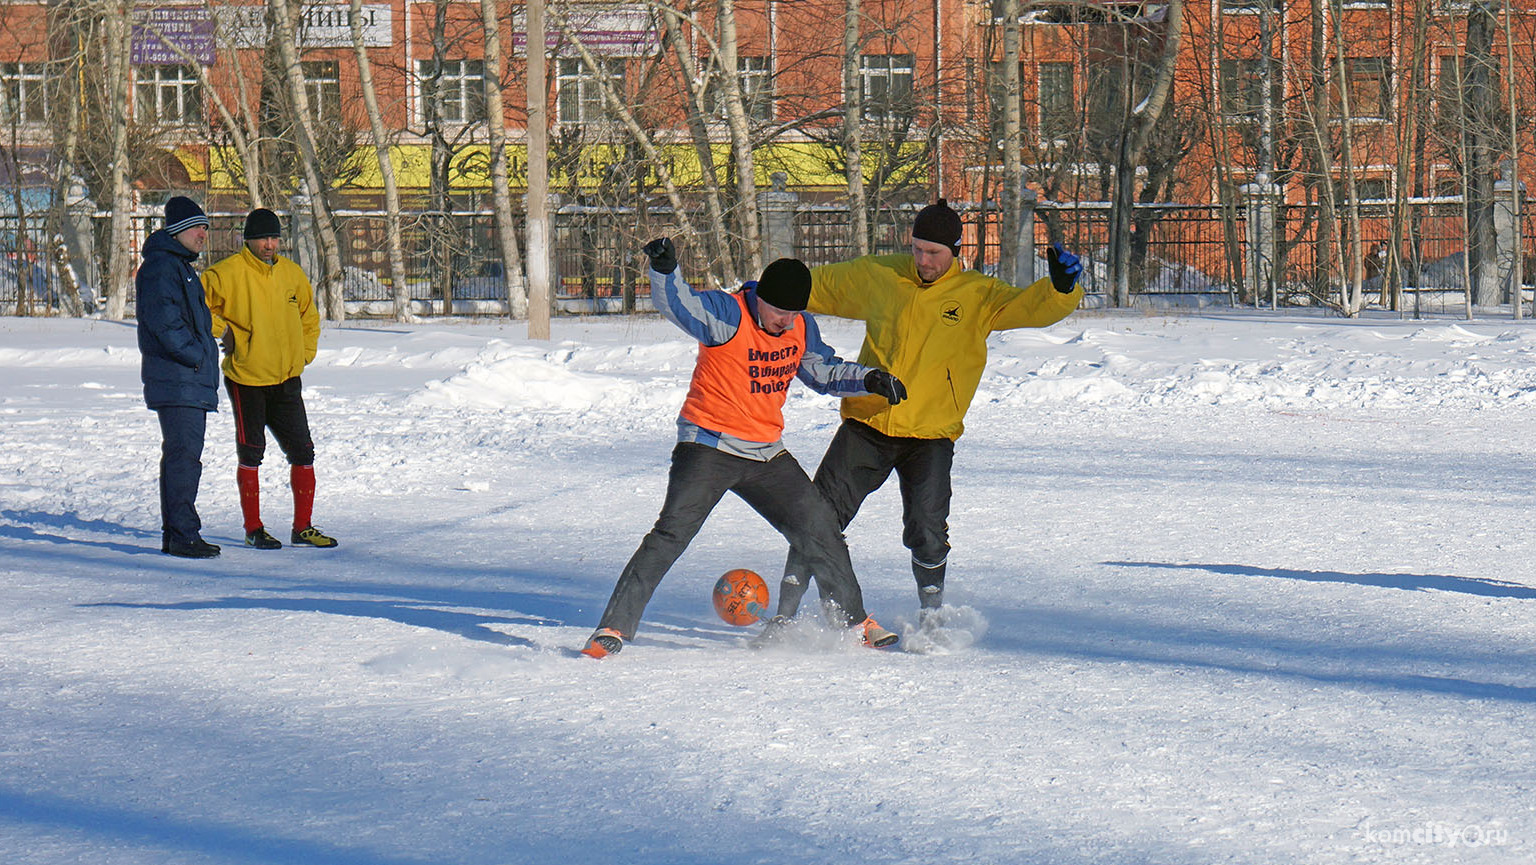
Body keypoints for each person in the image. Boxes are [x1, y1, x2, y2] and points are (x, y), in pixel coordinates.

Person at [581, 238, 910, 658]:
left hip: (765, 454)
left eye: (794, 313)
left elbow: (822, 371)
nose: (786, 321)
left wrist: (868, 379)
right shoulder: (728, 314)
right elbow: (679, 305)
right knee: (671, 534)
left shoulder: (800, 327)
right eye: (779, 312)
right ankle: (613, 628)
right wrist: (665, 271)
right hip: (708, 446)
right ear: (761, 300)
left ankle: (855, 623)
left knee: (821, 529)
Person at [768, 198, 1083, 628]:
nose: (922, 260)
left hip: (931, 434)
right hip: (869, 422)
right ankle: (785, 617)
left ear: (955, 250)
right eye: (916, 248)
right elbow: (809, 287)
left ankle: (930, 615)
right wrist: (761, 292)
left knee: (928, 530)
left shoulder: (978, 295)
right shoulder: (880, 275)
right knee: (818, 517)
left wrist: (1061, 288)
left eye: (933, 252)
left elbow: (1035, 308)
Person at [202, 208, 338, 550]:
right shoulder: (226, 274)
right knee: (252, 453)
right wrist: (224, 330)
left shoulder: (291, 274)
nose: (270, 244)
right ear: (248, 239)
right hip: (247, 377)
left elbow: (310, 316)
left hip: (287, 378)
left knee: (303, 451)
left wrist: (304, 354)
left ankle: (302, 527)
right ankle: (253, 528)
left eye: (275, 238)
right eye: (264, 238)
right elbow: (196, 305)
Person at [136, 196, 221, 558]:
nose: (204, 234)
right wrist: (196, 355)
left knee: (183, 456)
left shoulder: (179, 267)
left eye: (205, 227)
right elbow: (165, 324)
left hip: (187, 379)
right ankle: (183, 535)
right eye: (199, 227)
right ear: (179, 231)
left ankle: (179, 533)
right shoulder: (162, 268)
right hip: (179, 378)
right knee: (184, 456)